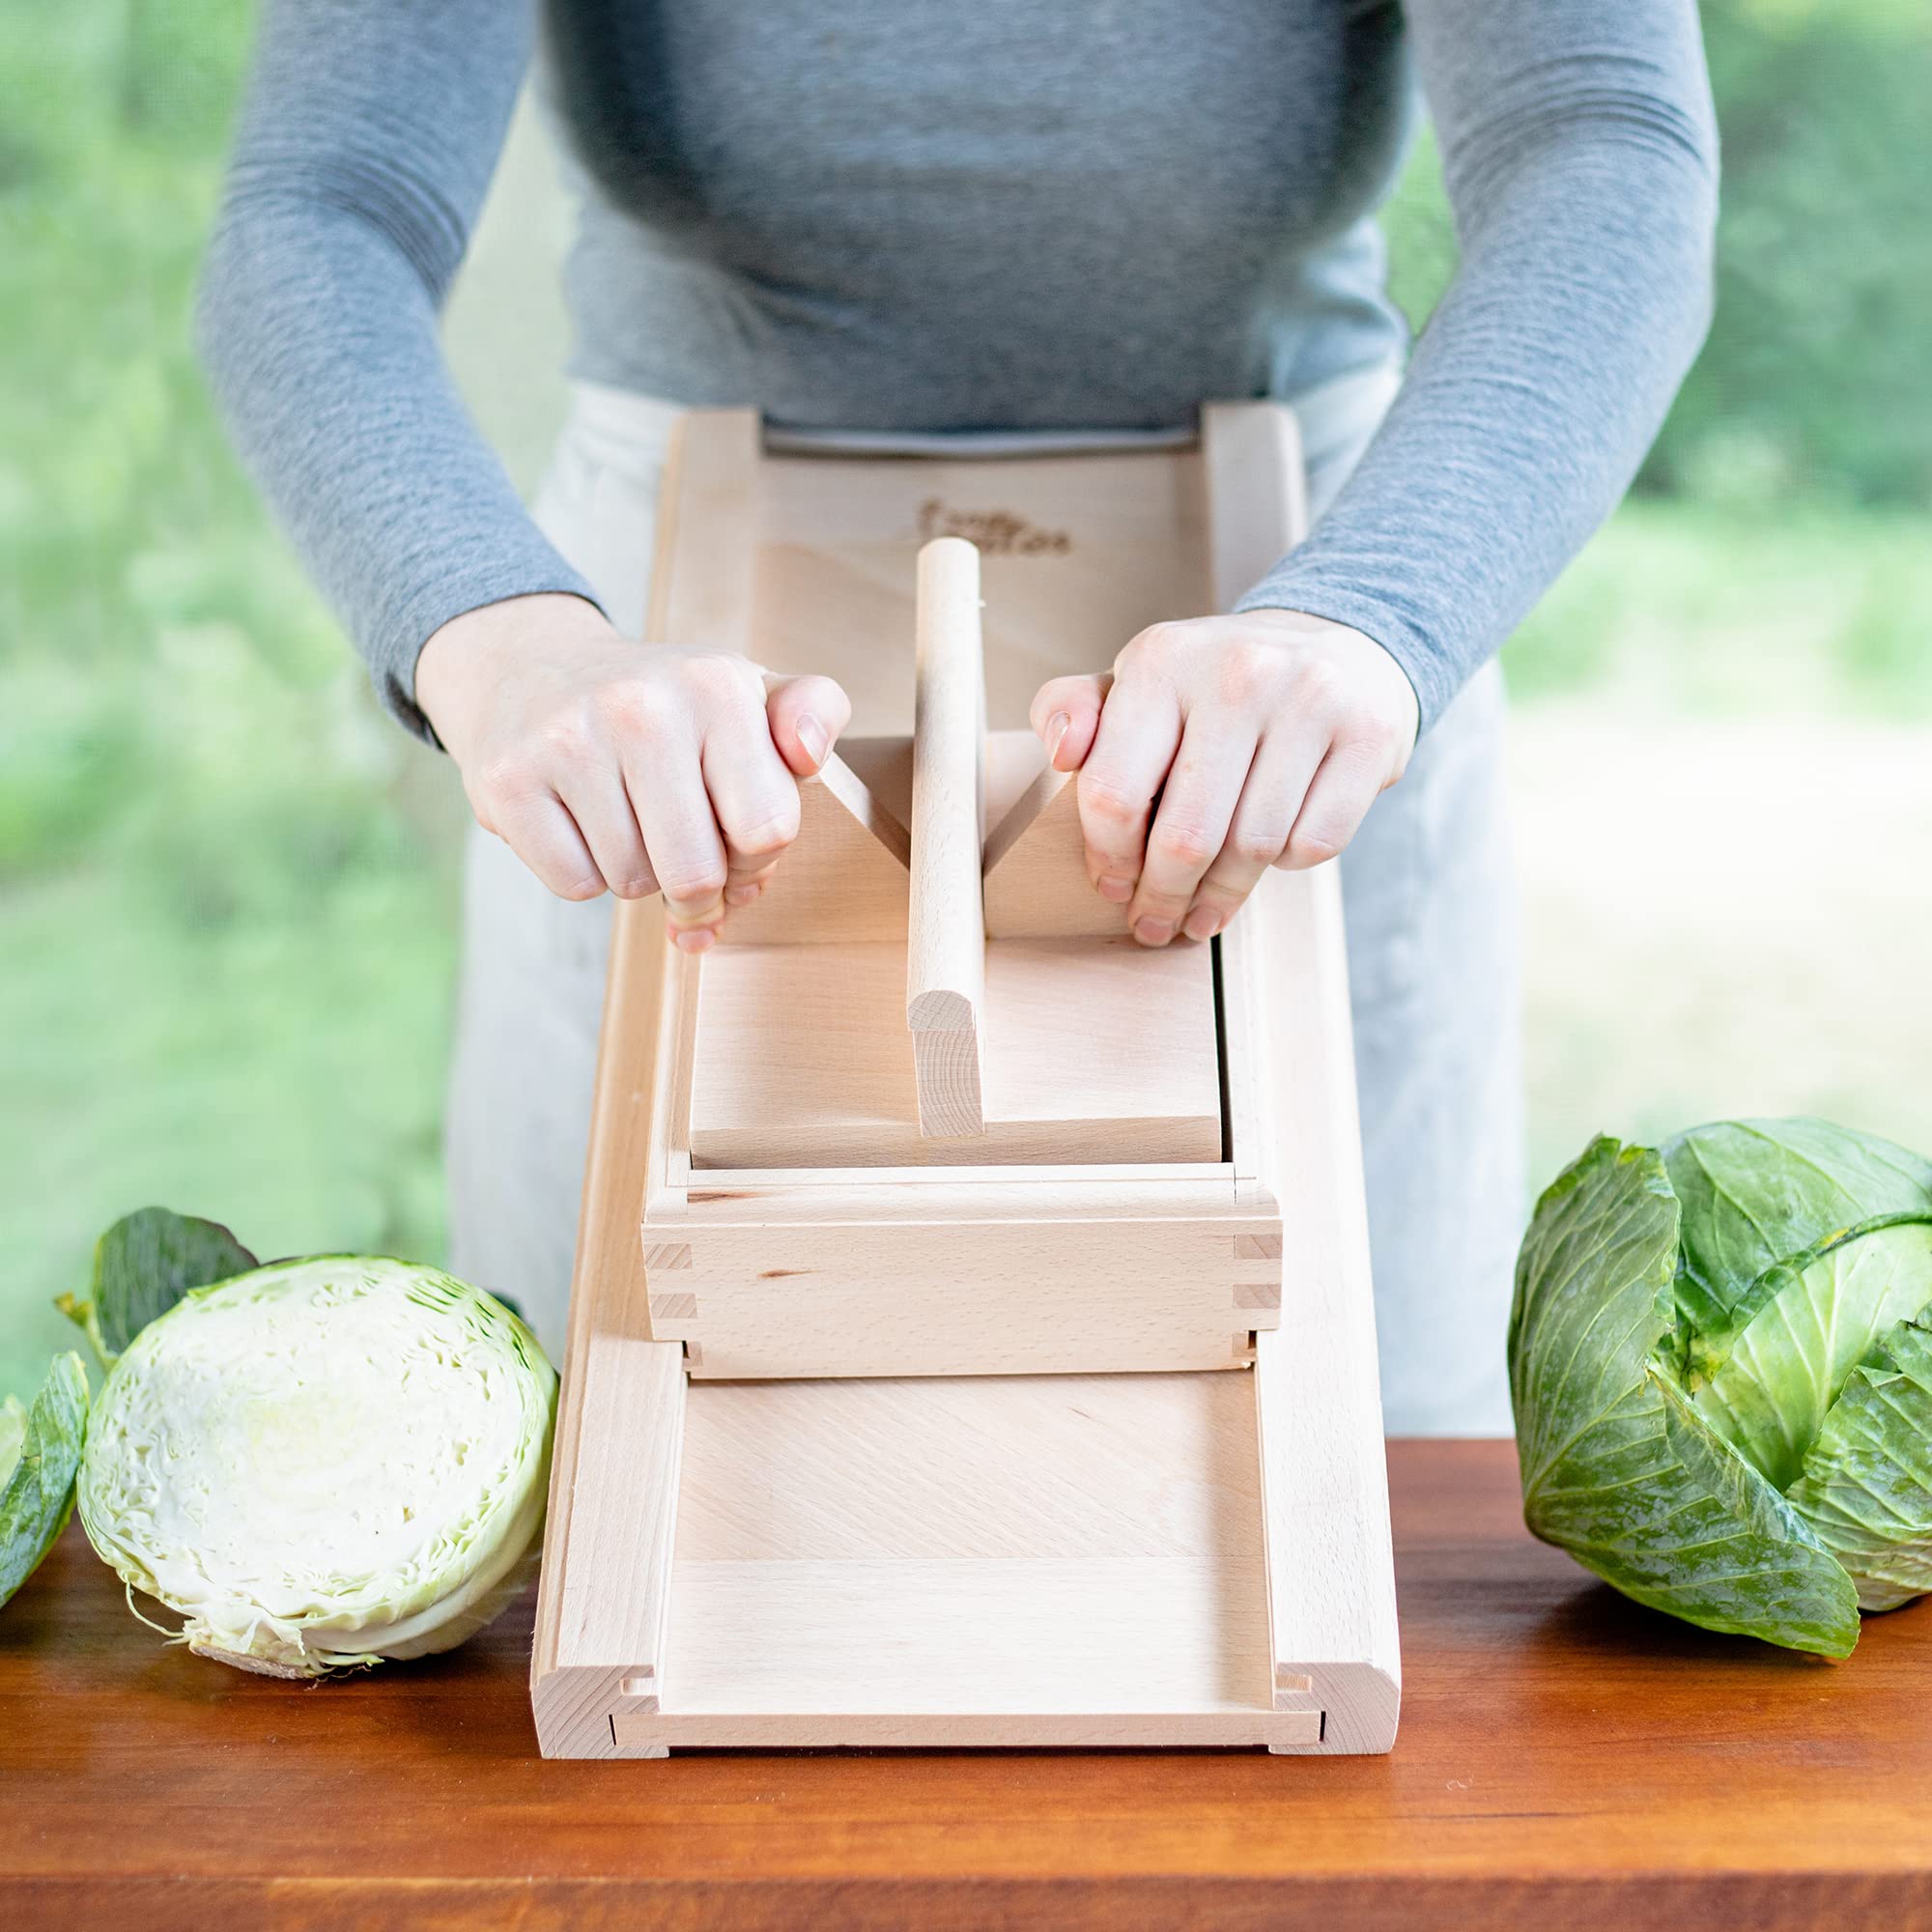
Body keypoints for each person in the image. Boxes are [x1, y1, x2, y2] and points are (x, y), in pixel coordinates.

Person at [198, 1, 1718, 1433]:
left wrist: (1378, 612)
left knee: (1363, 1477)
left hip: (1302, 638)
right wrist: (496, 633)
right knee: (612, 1460)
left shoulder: (1342, 628)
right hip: (641, 672)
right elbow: (325, 203)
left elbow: (1600, 136)